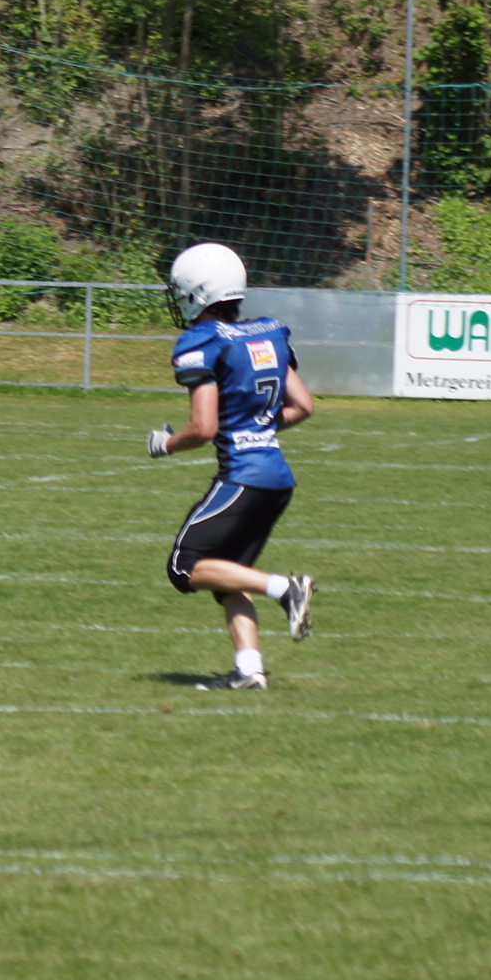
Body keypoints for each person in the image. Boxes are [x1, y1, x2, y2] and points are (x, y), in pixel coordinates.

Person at [147, 241, 315, 690]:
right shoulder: (267, 333)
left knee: (184, 567)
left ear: (196, 292)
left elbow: (202, 428)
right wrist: (257, 428)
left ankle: (285, 588)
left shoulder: (203, 341)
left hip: (244, 476)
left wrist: (165, 444)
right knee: (227, 574)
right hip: (277, 479)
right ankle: (249, 670)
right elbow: (303, 406)